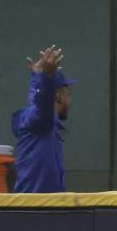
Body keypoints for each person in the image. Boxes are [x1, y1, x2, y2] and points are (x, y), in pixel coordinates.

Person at [11, 45, 76, 192]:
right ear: (59, 97)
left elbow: (37, 100)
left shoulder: (36, 119)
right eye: (69, 94)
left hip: (39, 206)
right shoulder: (43, 122)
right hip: (35, 209)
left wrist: (37, 76)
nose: (70, 101)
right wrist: (46, 78)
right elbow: (44, 103)